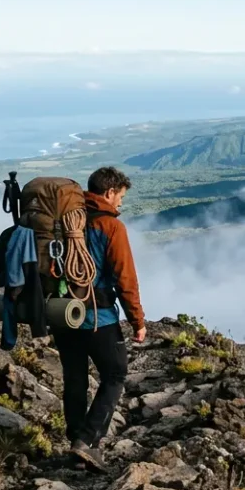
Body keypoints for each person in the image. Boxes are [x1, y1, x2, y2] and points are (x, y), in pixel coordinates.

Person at [55, 166, 147, 471]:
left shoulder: (66, 219)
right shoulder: (111, 227)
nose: (120, 203)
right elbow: (125, 279)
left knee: (76, 378)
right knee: (116, 374)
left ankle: (75, 445)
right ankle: (87, 442)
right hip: (97, 316)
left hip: (62, 313)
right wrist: (138, 321)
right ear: (109, 192)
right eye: (120, 196)